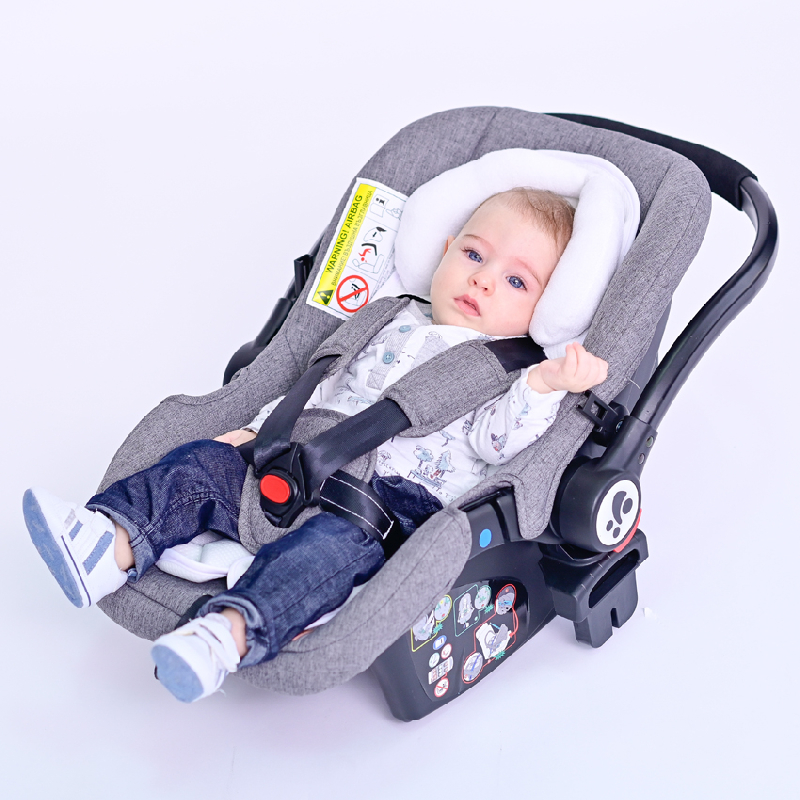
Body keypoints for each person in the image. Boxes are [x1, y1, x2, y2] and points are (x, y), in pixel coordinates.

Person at [22, 188, 608, 703]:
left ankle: (226, 635)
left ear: (545, 310)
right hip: (297, 460)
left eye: (516, 281)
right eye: (475, 255)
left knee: (321, 558)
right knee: (201, 466)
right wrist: (260, 432)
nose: (483, 279)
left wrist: (545, 385)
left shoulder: (512, 373)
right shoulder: (390, 318)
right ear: (447, 249)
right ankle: (110, 543)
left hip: (376, 507)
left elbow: (498, 442)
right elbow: (321, 382)